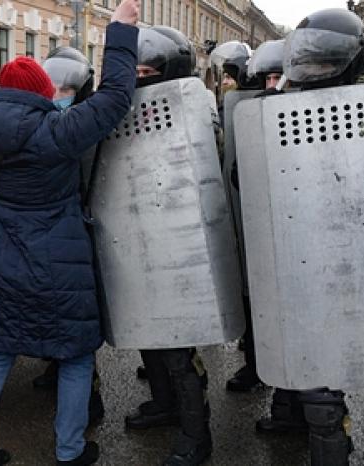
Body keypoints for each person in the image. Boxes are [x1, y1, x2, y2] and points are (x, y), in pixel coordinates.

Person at [0, 0, 139, 462]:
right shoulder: (60, 130)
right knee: (74, 356)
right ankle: (69, 452)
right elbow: (115, 96)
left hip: (4, 256)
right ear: (43, 92)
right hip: (59, 259)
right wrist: (120, 33)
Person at [253, 8, 364, 466]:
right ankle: (290, 414)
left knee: (322, 363)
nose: (312, 70)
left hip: (341, 251)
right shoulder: (276, 109)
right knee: (288, 340)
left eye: (323, 59)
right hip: (286, 243)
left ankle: (331, 449)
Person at [122, 25, 213, 466]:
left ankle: (198, 431)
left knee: (180, 348)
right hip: (136, 231)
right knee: (147, 334)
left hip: (181, 242)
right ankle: (163, 403)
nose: (140, 78)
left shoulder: (196, 107)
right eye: (134, 70)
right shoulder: (123, 107)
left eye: (147, 70)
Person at [30, 45, 105, 426]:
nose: (59, 95)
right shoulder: (43, 121)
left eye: (66, 88)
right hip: (54, 227)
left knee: (79, 318)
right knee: (51, 307)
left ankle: (90, 395)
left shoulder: (89, 123)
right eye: (53, 87)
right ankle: (54, 369)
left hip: (82, 227)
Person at [223, 39, 285, 394]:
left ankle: (291, 399)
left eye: (280, 77)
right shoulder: (252, 114)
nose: (272, 86)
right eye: (268, 78)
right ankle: (255, 366)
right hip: (256, 227)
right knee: (253, 300)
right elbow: (236, 174)